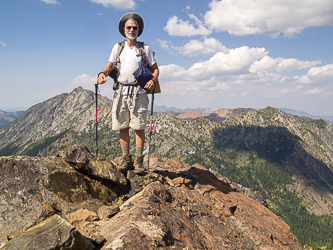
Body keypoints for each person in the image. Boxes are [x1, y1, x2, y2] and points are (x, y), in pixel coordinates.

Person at [97, 13, 159, 174]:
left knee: (138, 127)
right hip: (121, 92)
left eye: (134, 28)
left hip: (139, 92)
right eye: (128, 27)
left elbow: (155, 69)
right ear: (124, 30)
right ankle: (127, 159)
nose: (131, 30)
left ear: (139, 30)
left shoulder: (145, 48)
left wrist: (153, 80)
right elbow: (109, 66)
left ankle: (138, 161)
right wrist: (102, 74)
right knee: (122, 126)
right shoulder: (117, 48)